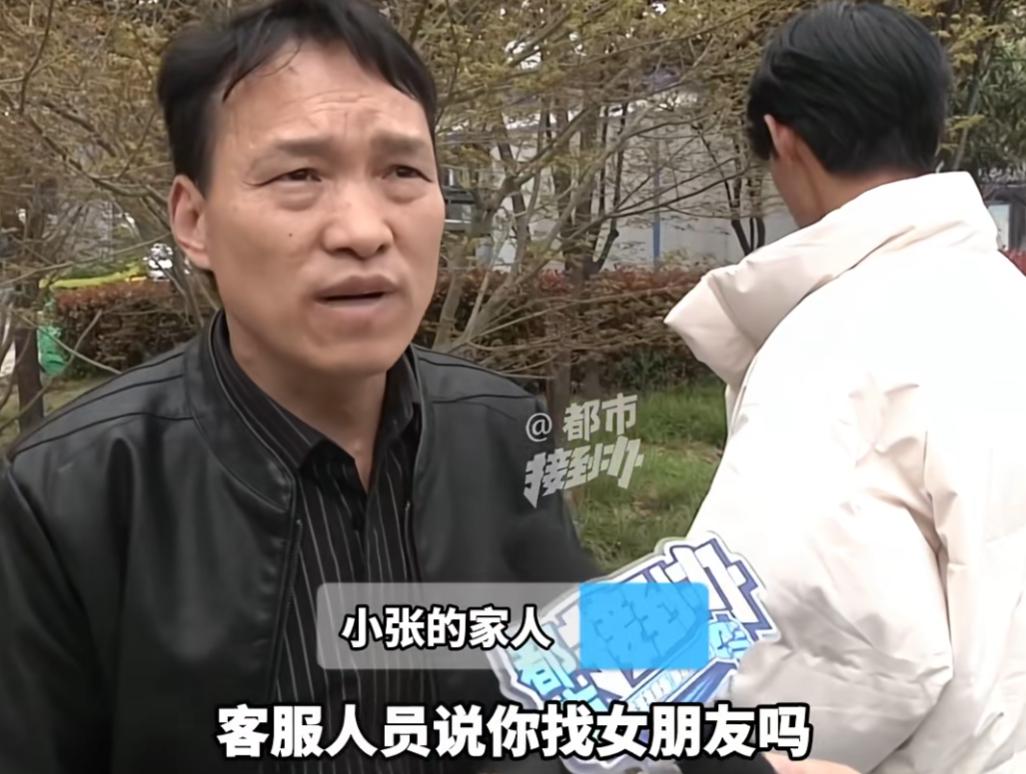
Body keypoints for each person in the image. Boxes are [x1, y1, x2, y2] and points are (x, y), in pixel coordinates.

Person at [0, 2, 857, 774]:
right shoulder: (69, 497)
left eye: (402, 173)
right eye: (299, 176)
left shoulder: (500, 429)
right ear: (194, 220)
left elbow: (589, 647)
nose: (363, 230)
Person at [665, 2, 1026, 773]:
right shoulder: (1007, 300)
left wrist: (571, 651)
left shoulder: (837, 342)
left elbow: (803, 631)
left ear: (783, 139)